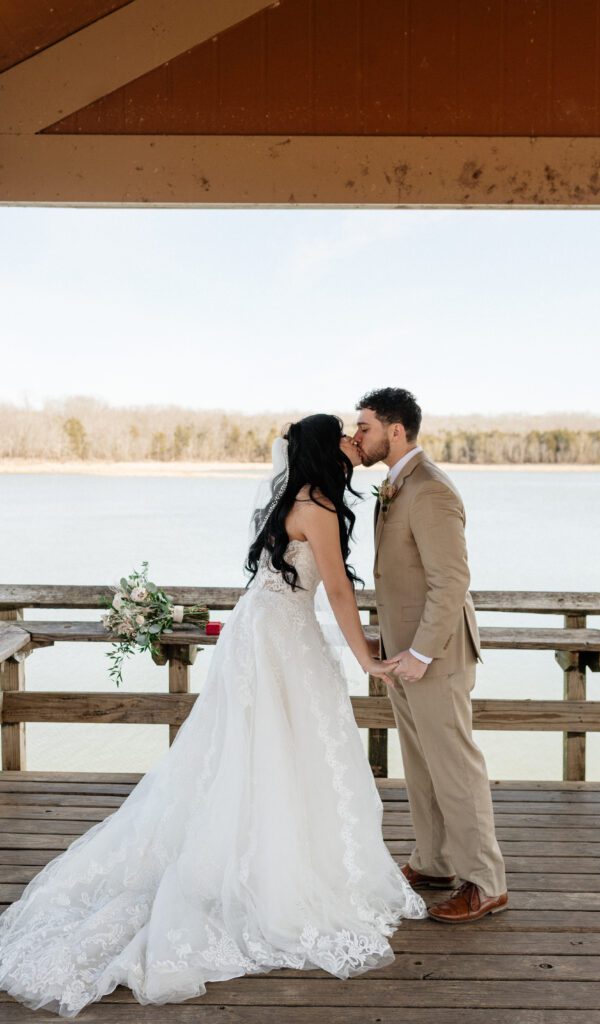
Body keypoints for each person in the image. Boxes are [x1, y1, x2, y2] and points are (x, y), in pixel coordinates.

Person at [0, 413, 425, 1019]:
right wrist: (367, 659)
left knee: (254, 748)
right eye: (344, 433)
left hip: (262, 629)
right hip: (280, 637)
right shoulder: (321, 507)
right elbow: (335, 591)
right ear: (321, 448)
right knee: (287, 744)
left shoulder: (294, 495)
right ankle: (273, 875)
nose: (354, 440)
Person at [353, 388, 508, 923]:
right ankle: (436, 860)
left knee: (455, 767)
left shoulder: (431, 490)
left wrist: (419, 651)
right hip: (403, 652)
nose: (358, 435)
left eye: (366, 426)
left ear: (396, 431)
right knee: (421, 766)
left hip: (434, 655)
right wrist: (389, 642)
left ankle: (485, 882)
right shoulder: (393, 487)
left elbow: (451, 581)